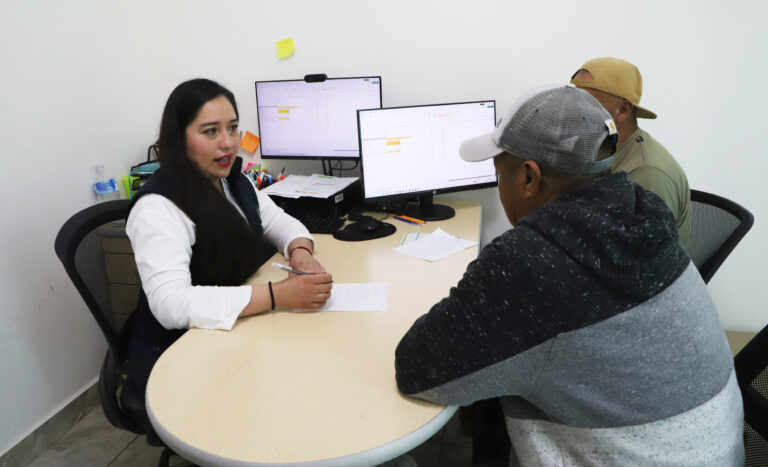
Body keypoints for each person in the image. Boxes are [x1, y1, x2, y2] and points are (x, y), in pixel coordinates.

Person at [394, 85, 743, 466]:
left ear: (529, 177)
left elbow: (417, 369)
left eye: (498, 172)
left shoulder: (529, 261)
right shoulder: (645, 213)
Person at [124, 78, 333, 375]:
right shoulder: (158, 207)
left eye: (233, 128)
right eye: (211, 131)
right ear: (179, 138)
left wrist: (300, 251)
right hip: (177, 355)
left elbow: (280, 222)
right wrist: (277, 295)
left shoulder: (232, 181)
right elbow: (171, 304)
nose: (228, 142)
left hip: (230, 333)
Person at [570, 57, 691, 252]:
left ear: (623, 110)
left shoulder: (647, 172)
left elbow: (642, 263)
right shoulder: (599, 150)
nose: (575, 111)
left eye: (587, 102)